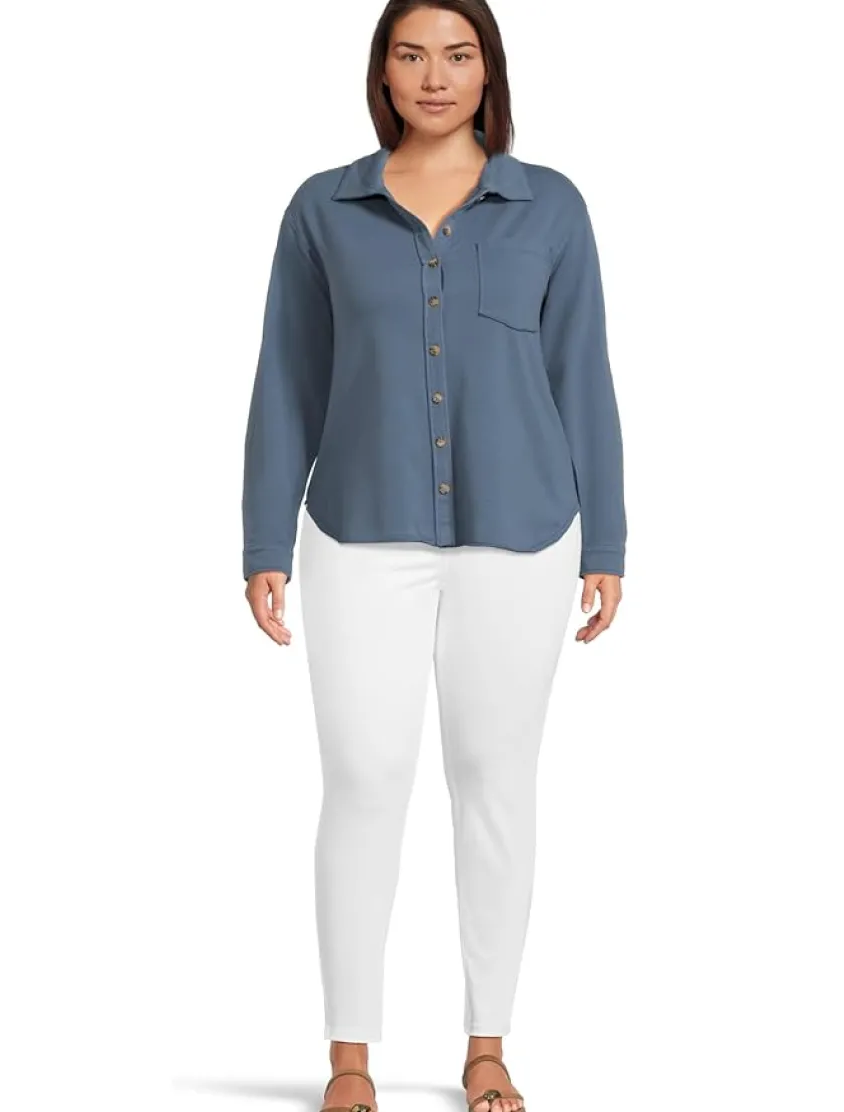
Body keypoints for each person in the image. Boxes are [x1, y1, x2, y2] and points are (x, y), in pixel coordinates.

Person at [241, 2, 627, 1111]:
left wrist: (606, 537)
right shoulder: (322, 209)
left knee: (494, 785)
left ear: (487, 71)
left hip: (524, 535)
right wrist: (264, 535)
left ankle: (485, 1045)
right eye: (410, 54)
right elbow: (286, 377)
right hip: (358, 531)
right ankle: (349, 1055)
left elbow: (583, 373)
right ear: (382, 73)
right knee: (364, 776)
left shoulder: (551, 207)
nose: (434, 76)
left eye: (457, 55)